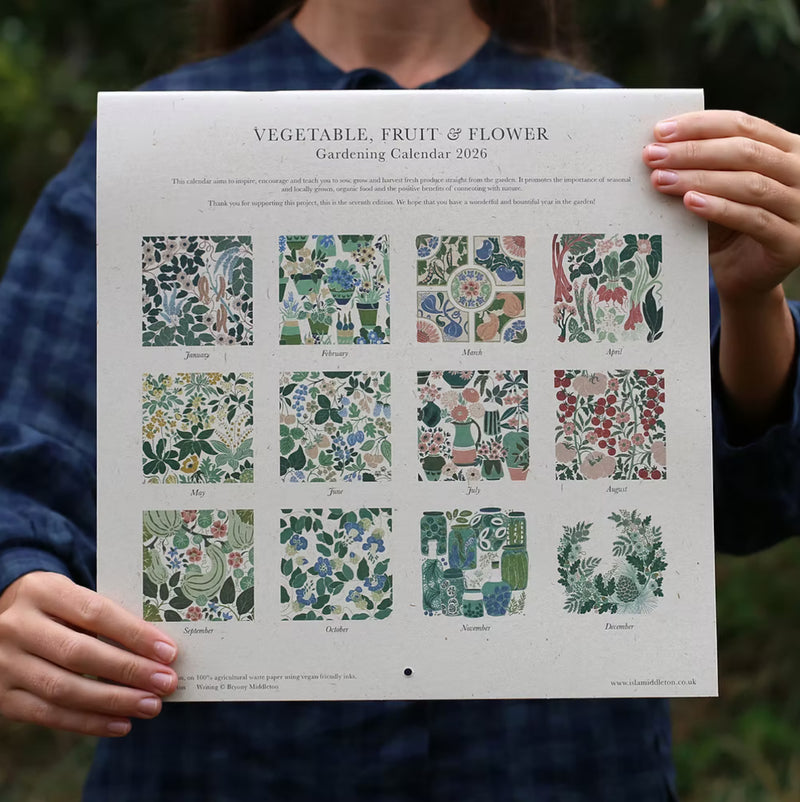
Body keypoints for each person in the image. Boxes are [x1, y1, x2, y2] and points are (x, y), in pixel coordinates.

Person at [0, 1, 798, 798]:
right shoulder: (154, 146)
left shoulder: (625, 147)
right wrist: (17, 589)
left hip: (557, 765)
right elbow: (26, 466)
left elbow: (742, 504)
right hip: (222, 767)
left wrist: (753, 301)